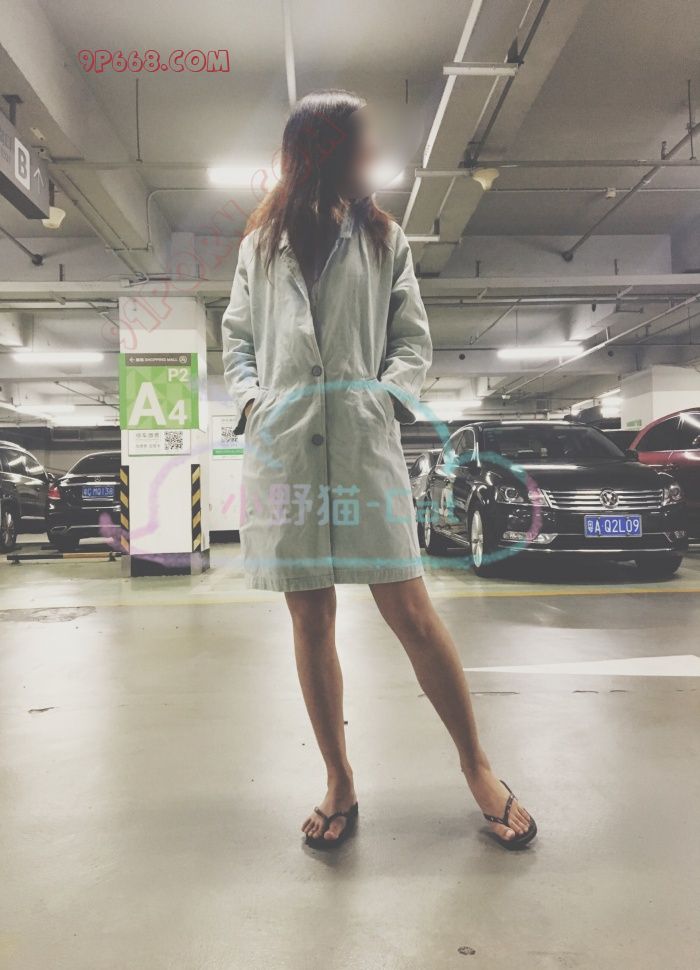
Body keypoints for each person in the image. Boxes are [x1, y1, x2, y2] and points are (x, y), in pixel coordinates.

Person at [222, 89, 536, 850]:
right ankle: (339, 779)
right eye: (364, 142)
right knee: (311, 620)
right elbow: (237, 340)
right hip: (287, 449)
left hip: (362, 445)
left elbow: (412, 339)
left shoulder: (384, 239)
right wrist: (256, 401)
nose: (373, 155)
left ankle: (477, 766)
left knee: (413, 615)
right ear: (326, 148)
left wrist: (385, 397)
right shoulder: (259, 247)